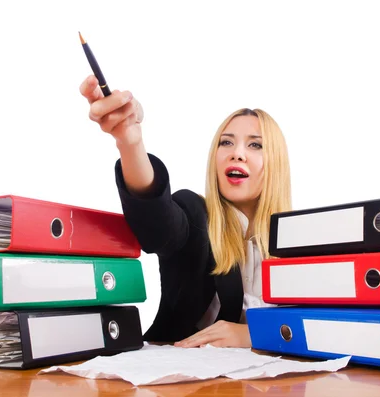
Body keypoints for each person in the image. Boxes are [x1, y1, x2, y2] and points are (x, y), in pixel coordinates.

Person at [80, 75, 292, 348]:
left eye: (255, 145)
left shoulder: (295, 245)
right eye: (226, 143)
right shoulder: (195, 217)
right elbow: (159, 222)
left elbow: (321, 324)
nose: (237, 153)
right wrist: (130, 143)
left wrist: (250, 335)